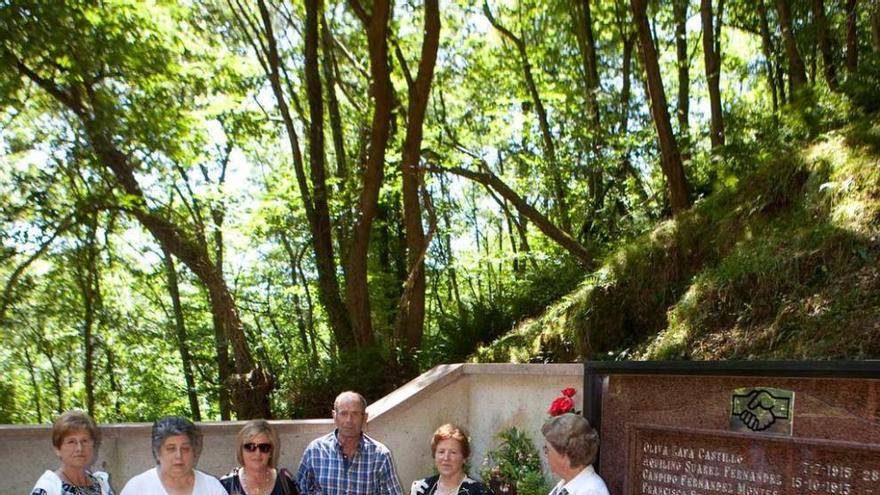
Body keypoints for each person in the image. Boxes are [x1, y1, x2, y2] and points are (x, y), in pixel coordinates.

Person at [296, 391, 403, 495]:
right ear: (334, 416)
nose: (349, 420)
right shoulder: (315, 450)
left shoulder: (380, 455)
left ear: (364, 417)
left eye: (355, 414)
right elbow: (299, 489)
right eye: (343, 413)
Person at [120, 416, 226, 495]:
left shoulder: (211, 487)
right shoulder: (137, 488)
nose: (179, 455)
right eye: (171, 449)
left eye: (185, 449)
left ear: (194, 451)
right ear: (157, 452)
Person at [30, 410, 114, 495]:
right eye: (71, 442)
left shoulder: (101, 485)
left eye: (84, 441)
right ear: (57, 449)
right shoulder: (48, 488)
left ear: (93, 445)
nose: (79, 448)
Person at [220, 419, 298, 495]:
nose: (257, 453)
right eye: (250, 447)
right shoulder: (226, 485)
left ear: (271, 452)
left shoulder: (285, 484)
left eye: (264, 447)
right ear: (240, 450)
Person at [410, 424, 492, 495]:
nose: (446, 458)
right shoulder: (420, 489)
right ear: (434, 455)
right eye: (441, 452)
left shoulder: (480, 492)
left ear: (464, 458)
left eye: (453, 452)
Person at [541, 414, 608, 495]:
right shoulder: (566, 484)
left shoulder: (591, 491)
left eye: (547, 449)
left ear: (564, 455)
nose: (546, 454)